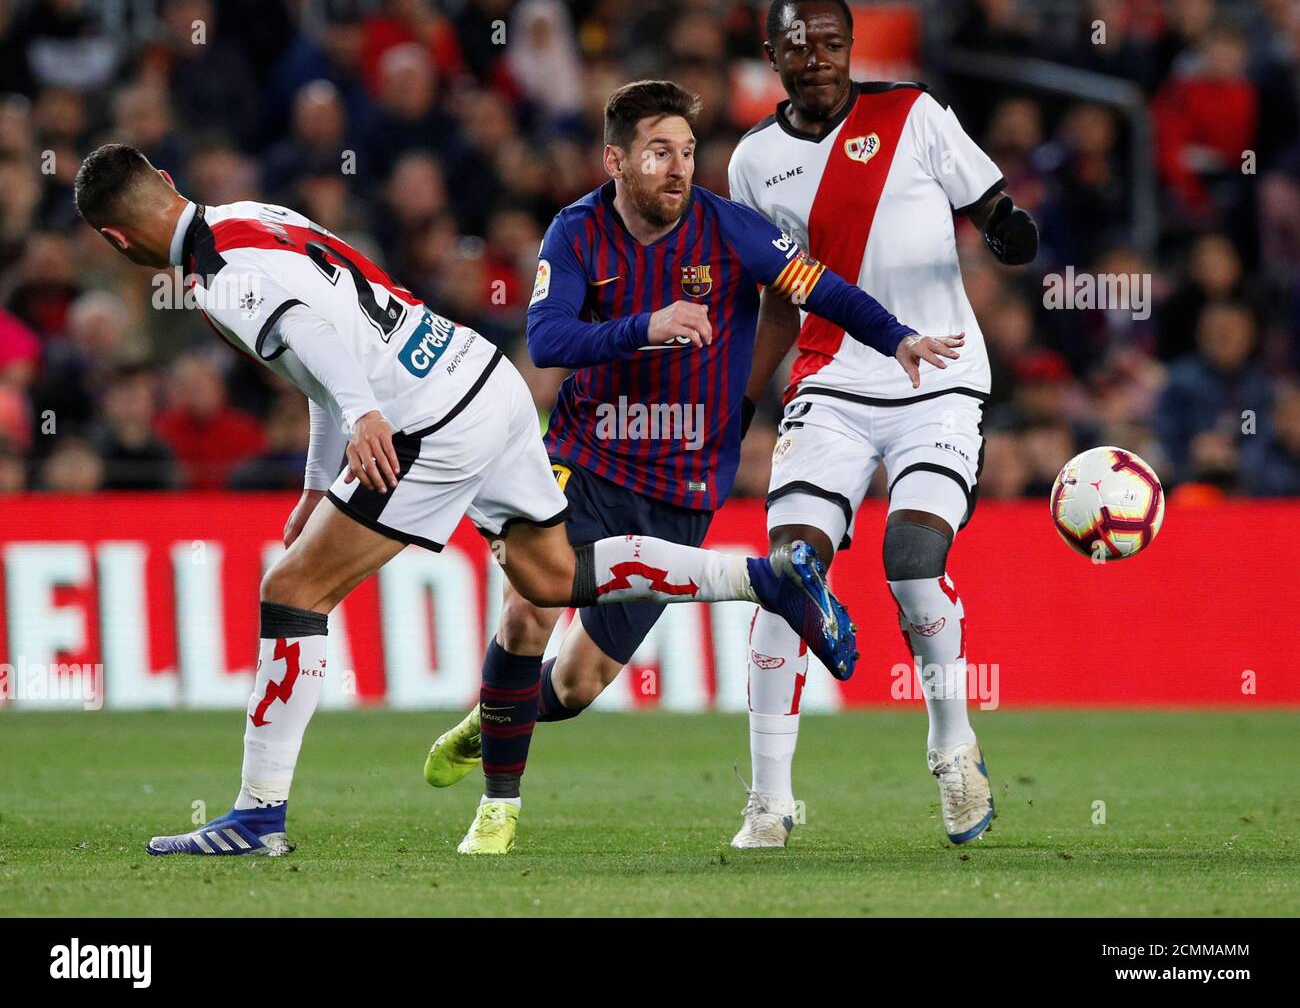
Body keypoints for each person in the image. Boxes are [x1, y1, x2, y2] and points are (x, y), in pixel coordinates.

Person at [72, 142, 868, 858]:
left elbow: (313, 338)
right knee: (553, 575)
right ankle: (765, 579)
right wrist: (320, 480)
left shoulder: (217, 275)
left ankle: (255, 816)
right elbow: (326, 335)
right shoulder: (255, 215)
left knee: (291, 591)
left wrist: (364, 415)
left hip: (424, 418)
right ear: (170, 182)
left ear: (114, 240)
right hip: (483, 375)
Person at [422, 79, 965, 854]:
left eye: (685, 151)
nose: (678, 167)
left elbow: (820, 289)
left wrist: (898, 337)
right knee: (527, 609)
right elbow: (546, 340)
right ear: (615, 160)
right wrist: (646, 326)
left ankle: (492, 716)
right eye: (658, 152)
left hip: (680, 486)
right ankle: (499, 808)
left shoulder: (728, 230)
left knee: (576, 686)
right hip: (585, 461)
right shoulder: (574, 233)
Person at [726, 0, 1041, 848]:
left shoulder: (914, 114)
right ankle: (769, 798)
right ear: (774, 56)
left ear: (851, 46)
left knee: (911, 561)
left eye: (832, 41)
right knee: (787, 573)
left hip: (937, 378)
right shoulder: (752, 163)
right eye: (801, 44)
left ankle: (953, 745)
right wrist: (744, 398)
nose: (818, 56)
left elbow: (990, 205)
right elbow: (779, 300)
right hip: (827, 386)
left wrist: (1011, 231)